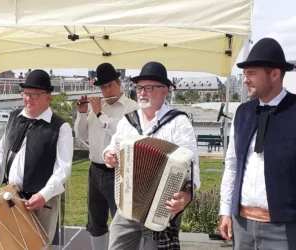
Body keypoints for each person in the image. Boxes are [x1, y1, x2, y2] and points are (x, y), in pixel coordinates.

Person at [103, 61, 200, 250]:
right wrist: (108, 156)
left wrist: (187, 195)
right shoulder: (128, 121)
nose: (142, 92)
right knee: (116, 244)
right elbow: (111, 146)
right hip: (127, 203)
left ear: (164, 91)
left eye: (149, 88)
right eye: (139, 87)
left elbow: (192, 165)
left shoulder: (178, 123)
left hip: (161, 206)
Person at [218, 38, 296, 249]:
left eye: (251, 73)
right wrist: (225, 210)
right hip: (241, 224)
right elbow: (232, 164)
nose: (245, 80)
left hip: (285, 228)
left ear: (274, 74)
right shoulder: (242, 113)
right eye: (244, 74)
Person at [0, 69, 73, 243]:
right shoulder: (14, 118)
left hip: (40, 201)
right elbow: (2, 151)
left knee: (37, 245)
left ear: (48, 96)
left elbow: (63, 169)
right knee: (11, 244)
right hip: (11, 197)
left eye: (35, 94)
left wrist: (44, 195)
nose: (28, 99)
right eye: (26, 94)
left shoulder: (60, 127)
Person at [74, 63, 138, 250]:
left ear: (119, 83)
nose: (106, 90)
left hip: (118, 171)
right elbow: (81, 135)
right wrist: (82, 113)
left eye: (110, 85)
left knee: (122, 221)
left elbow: (122, 134)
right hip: (95, 169)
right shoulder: (96, 108)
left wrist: (100, 114)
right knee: (95, 221)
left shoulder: (131, 107)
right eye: (102, 87)